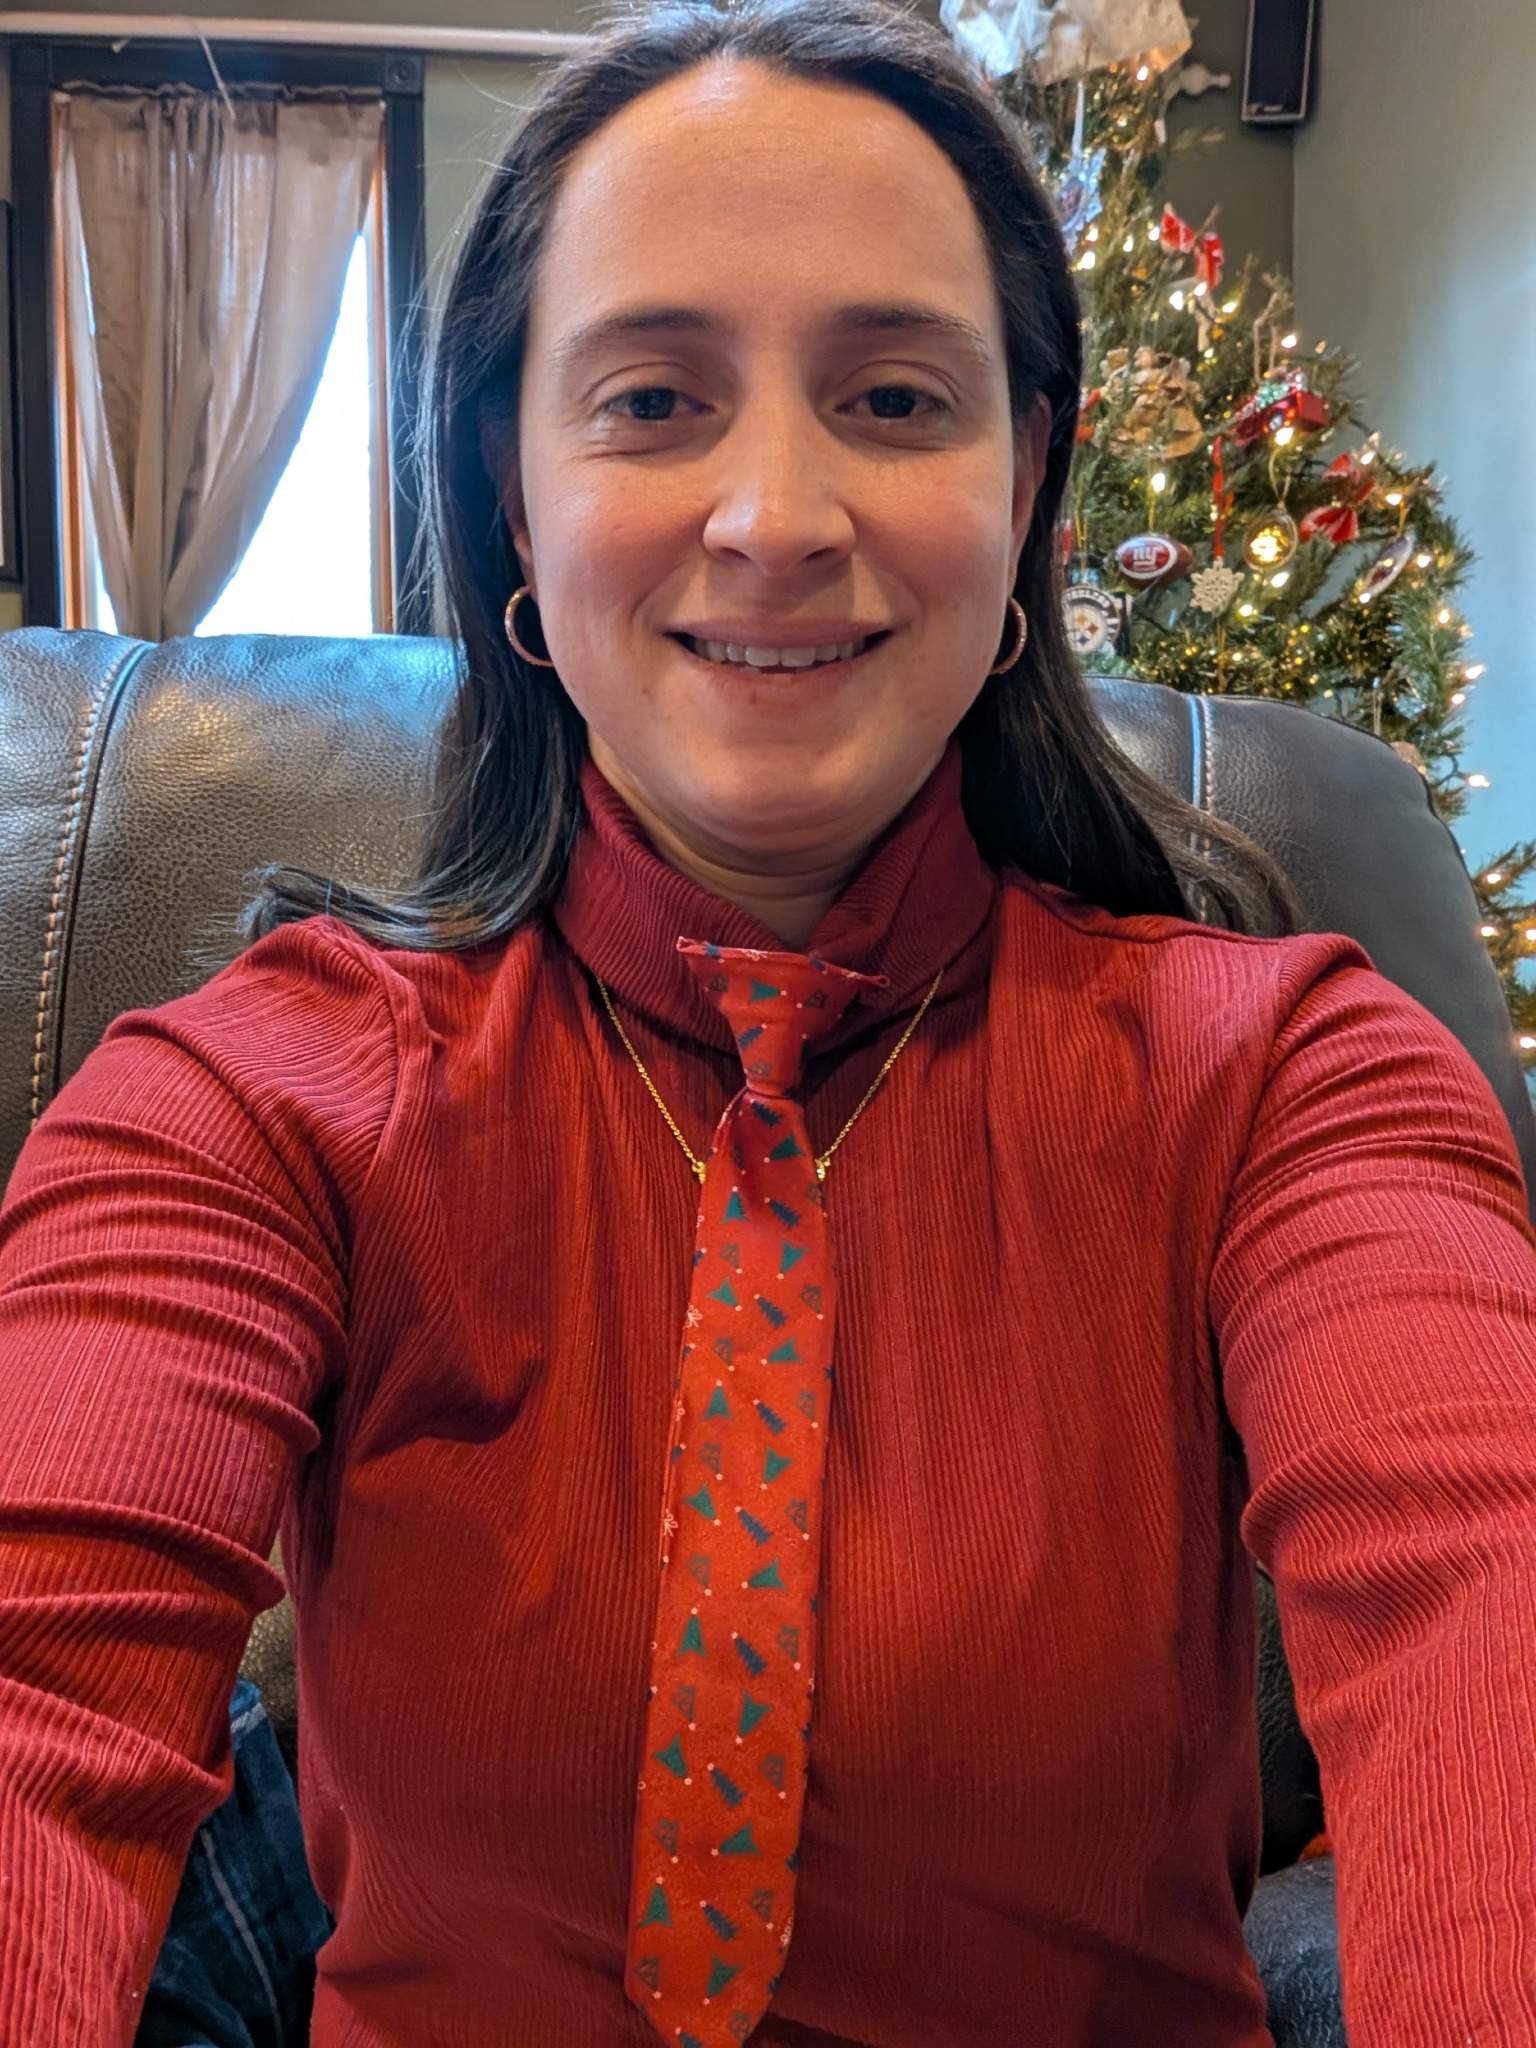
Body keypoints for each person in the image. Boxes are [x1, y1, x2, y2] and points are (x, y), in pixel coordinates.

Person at [1, 3, 1533, 2043]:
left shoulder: (1286, 1082)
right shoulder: (247, 1098)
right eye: (652, 400)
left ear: (1029, 481)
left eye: (895, 398)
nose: (777, 517)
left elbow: (1482, 1601)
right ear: (510, 490)